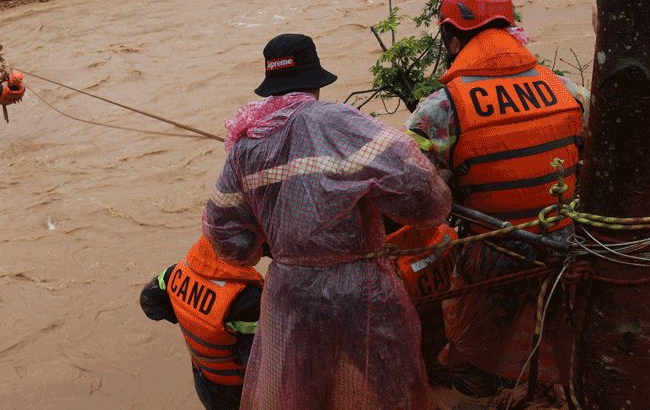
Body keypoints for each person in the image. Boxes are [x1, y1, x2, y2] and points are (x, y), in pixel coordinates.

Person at [203, 33, 452, 410]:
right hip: (359, 287)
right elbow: (423, 194)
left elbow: (224, 234)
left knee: (301, 392)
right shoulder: (337, 121)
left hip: (288, 292)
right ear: (316, 81)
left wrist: (269, 244)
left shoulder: (247, 142)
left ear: (271, 85)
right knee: (386, 386)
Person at [403, 0, 589, 404]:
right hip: (570, 246)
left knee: (471, 360)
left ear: (451, 38)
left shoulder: (441, 109)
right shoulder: (565, 88)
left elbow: (419, 200)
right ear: (509, 28)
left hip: (493, 253)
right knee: (562, 339)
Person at [140, 236, 264, 410]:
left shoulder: (176, 272)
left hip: (203, 381)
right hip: (236, 394)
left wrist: (189, 318)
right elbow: (261, 372)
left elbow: (148, 302)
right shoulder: (247, 300)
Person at [0, 45, 25, 123]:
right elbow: (11, 79)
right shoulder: (21, 87)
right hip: (8, 95)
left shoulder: (1, 88)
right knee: (8, 68)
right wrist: (7, 73)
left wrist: (2, 79)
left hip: (0, 96)